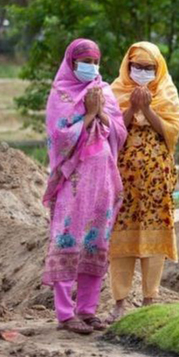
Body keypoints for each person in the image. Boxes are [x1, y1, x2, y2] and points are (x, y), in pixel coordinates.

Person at [42, 38, 127, 334]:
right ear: (71, 62)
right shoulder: (61, 94)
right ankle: (66, 314)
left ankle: (88, 310)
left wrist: (101, 113)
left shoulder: (103, 91)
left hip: (102, 180)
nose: (90, 67)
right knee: (68, 239)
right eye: (84, 62)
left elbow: (119, 130)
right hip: (74, 182)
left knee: (96, 242)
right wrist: (89, 115)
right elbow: (59, 135)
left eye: (94, 62)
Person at [106, 42, 179, 323]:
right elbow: (112, 131)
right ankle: (119, 302)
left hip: (155, 178)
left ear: (157, 68)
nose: (141, 72)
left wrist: (148, 110)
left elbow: (171, 132)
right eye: (136, 66)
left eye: (148, 68)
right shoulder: (114, 92)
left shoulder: (167, 93)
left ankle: (150, 298)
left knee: (154, 233)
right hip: (122, 177)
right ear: (127, 66)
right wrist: (132, 108)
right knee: (120, 236)